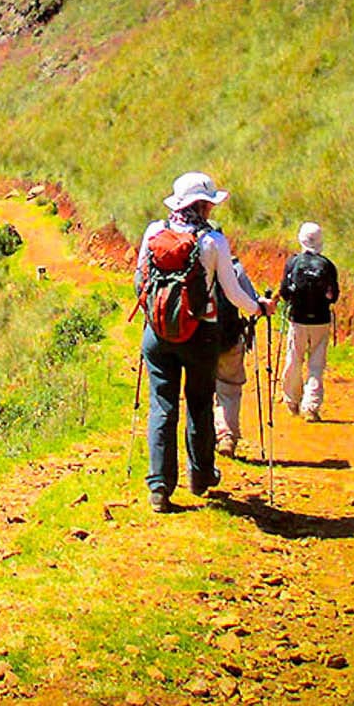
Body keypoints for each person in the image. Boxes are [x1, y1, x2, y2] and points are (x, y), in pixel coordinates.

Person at [135, 172, 270, 513]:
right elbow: (232, 291)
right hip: (200, 333)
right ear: (203, 205)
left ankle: (159, 488)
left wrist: (156, 314)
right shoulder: (212, 242)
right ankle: (201, 475)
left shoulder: (153, 232)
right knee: (199, 403)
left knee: (162, 405)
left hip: (158, 333)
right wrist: (259, 308)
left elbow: (140, 278)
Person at [278, 222, 339, 421]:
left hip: (298, 318)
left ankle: (292, 401)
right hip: (321, 319)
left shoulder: (293, 263)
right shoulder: (327, 265)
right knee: (316, 364)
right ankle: (311, 406)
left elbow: (284, 292)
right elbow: (334, 295)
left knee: (294, 359)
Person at [213, 256, 266, 457]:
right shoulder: (234, 268)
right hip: (229, 337)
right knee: (228, 388)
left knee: (199, 389)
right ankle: (226, 435)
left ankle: (203, 437)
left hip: (197, 340)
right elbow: (251, 302)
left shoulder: (192, 264)